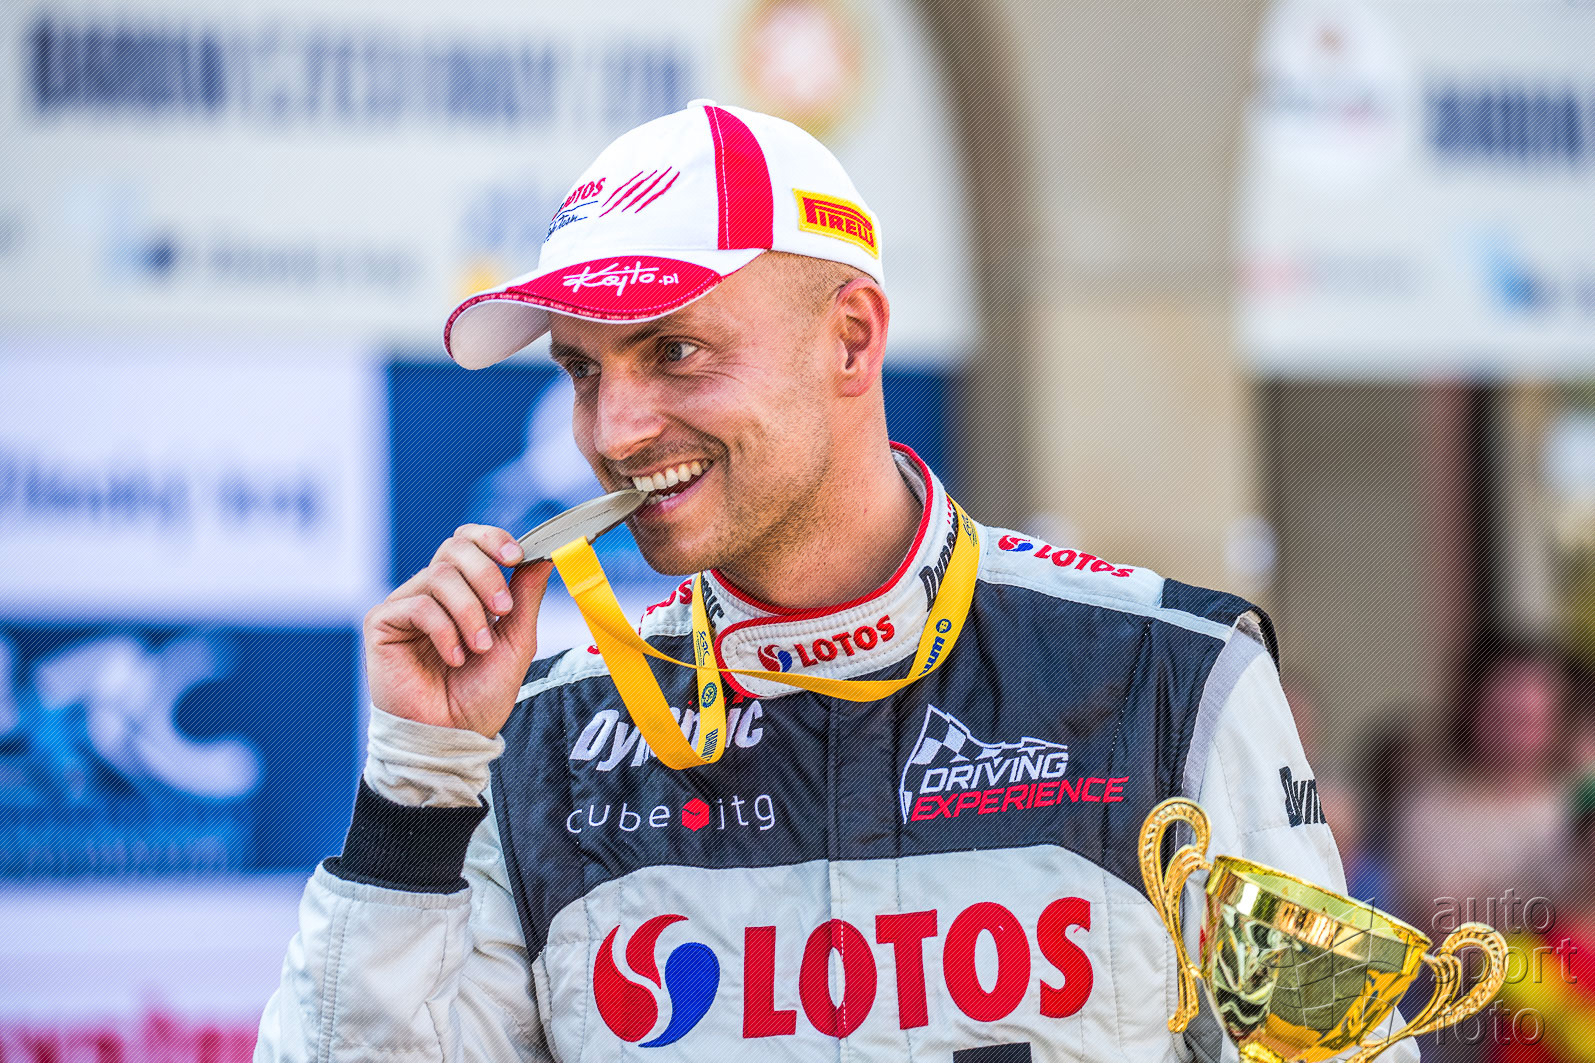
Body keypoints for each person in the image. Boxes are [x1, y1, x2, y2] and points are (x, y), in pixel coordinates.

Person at [256, 101, 1407, 1062]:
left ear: (850, 339)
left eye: (673, 349)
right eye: (581, 369)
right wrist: (416, 783)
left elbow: (1341, 1051)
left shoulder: (1170, 680)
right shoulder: (538, 744)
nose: (611, 429)